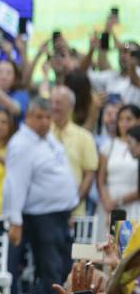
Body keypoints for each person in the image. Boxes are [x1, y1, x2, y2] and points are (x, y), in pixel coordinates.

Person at [2, 98, 79, 294]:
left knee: (64, 267)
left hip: (60, 214)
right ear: (28, 117)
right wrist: (16, 222)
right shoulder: (21, 144)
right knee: (50, 270)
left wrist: (68, 207)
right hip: (42, 217)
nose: (44, 121)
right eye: (39, 117)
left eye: (47, 117)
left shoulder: (47, 137)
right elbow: (15, 184)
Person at [49, 85, 99, 216]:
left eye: (58, 103)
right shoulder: (41, 135)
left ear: (71, 106)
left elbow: (89, 174)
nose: (54, 107)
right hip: (43, 211)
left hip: (75, 213)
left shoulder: (85, 137)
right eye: (51, 102)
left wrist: (73, 203)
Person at [97, 103, 140, 220]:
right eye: (120, 119)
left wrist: (118, 202)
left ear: (138, 121)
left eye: (129, 119)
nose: (124, 123)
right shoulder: (108, 146)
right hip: (108, 203)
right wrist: (108, 204)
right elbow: (101, 180)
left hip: (133, 205)